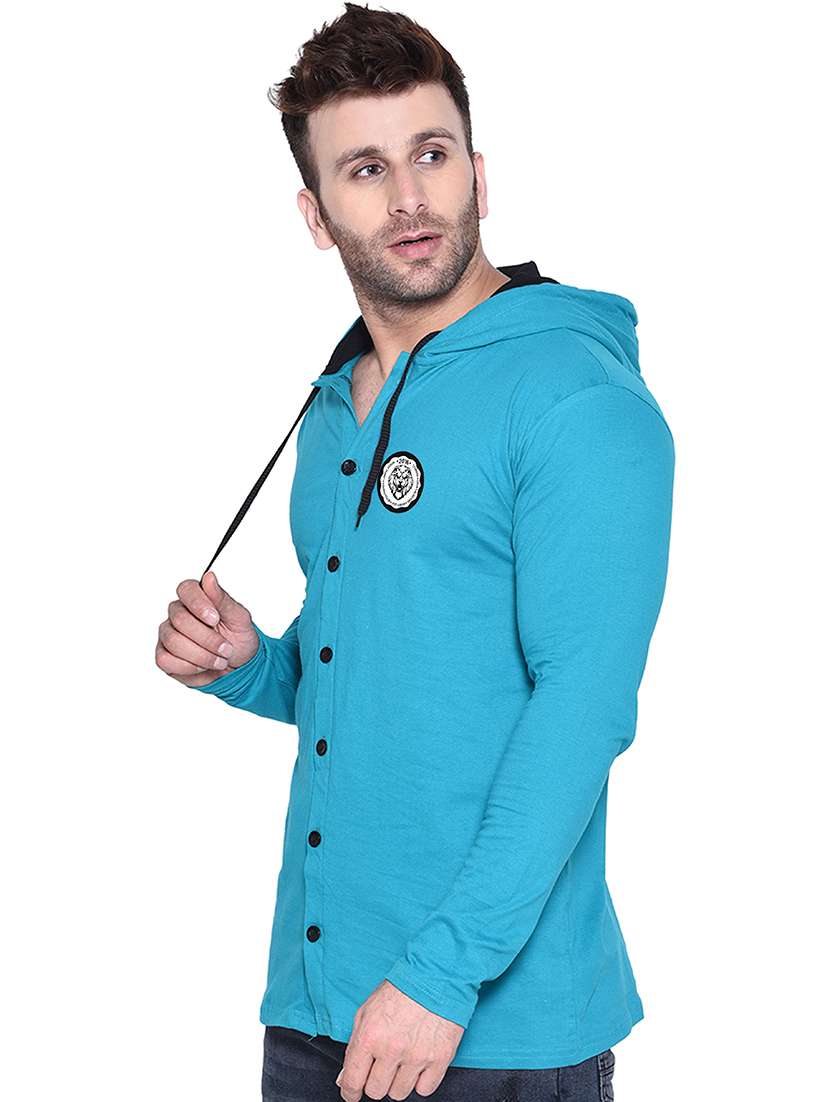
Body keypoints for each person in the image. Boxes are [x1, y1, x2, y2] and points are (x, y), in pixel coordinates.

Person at [155, 4, 675, 1099]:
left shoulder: (573, 395)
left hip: (487, 1029)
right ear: (315, 213)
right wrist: (250, 665)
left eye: (430, 155)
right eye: (365, 168)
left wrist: (440, 976)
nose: (407, 197)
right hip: (316, 1007)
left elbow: (582, 706)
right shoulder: (333, 404)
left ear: (478, 173)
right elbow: (371, 677)